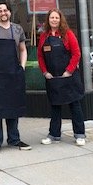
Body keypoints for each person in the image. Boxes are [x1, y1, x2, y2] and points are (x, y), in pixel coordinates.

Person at [0, 1, 31, 154]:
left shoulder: (17, 29)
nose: (3, 13)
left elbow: (23, 50)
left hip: (14, 75)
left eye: (5, 10)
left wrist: (22, 67)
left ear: (10, 12)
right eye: (0, 11)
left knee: (13, 108)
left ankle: (14, 139)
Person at [37, 8, 86, 146]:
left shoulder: (68, 34)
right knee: (55, 107)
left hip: (69, 77)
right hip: (53, 78)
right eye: (52, 18)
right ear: (48, 20)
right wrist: (45, 72)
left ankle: (80, 135)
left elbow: (76, 54)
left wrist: (69, 71)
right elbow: (40, 56)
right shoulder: (44, 36)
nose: (54, 20)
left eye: (56, 18)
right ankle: (54, 135)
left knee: (75, 105)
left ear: (60, 20)